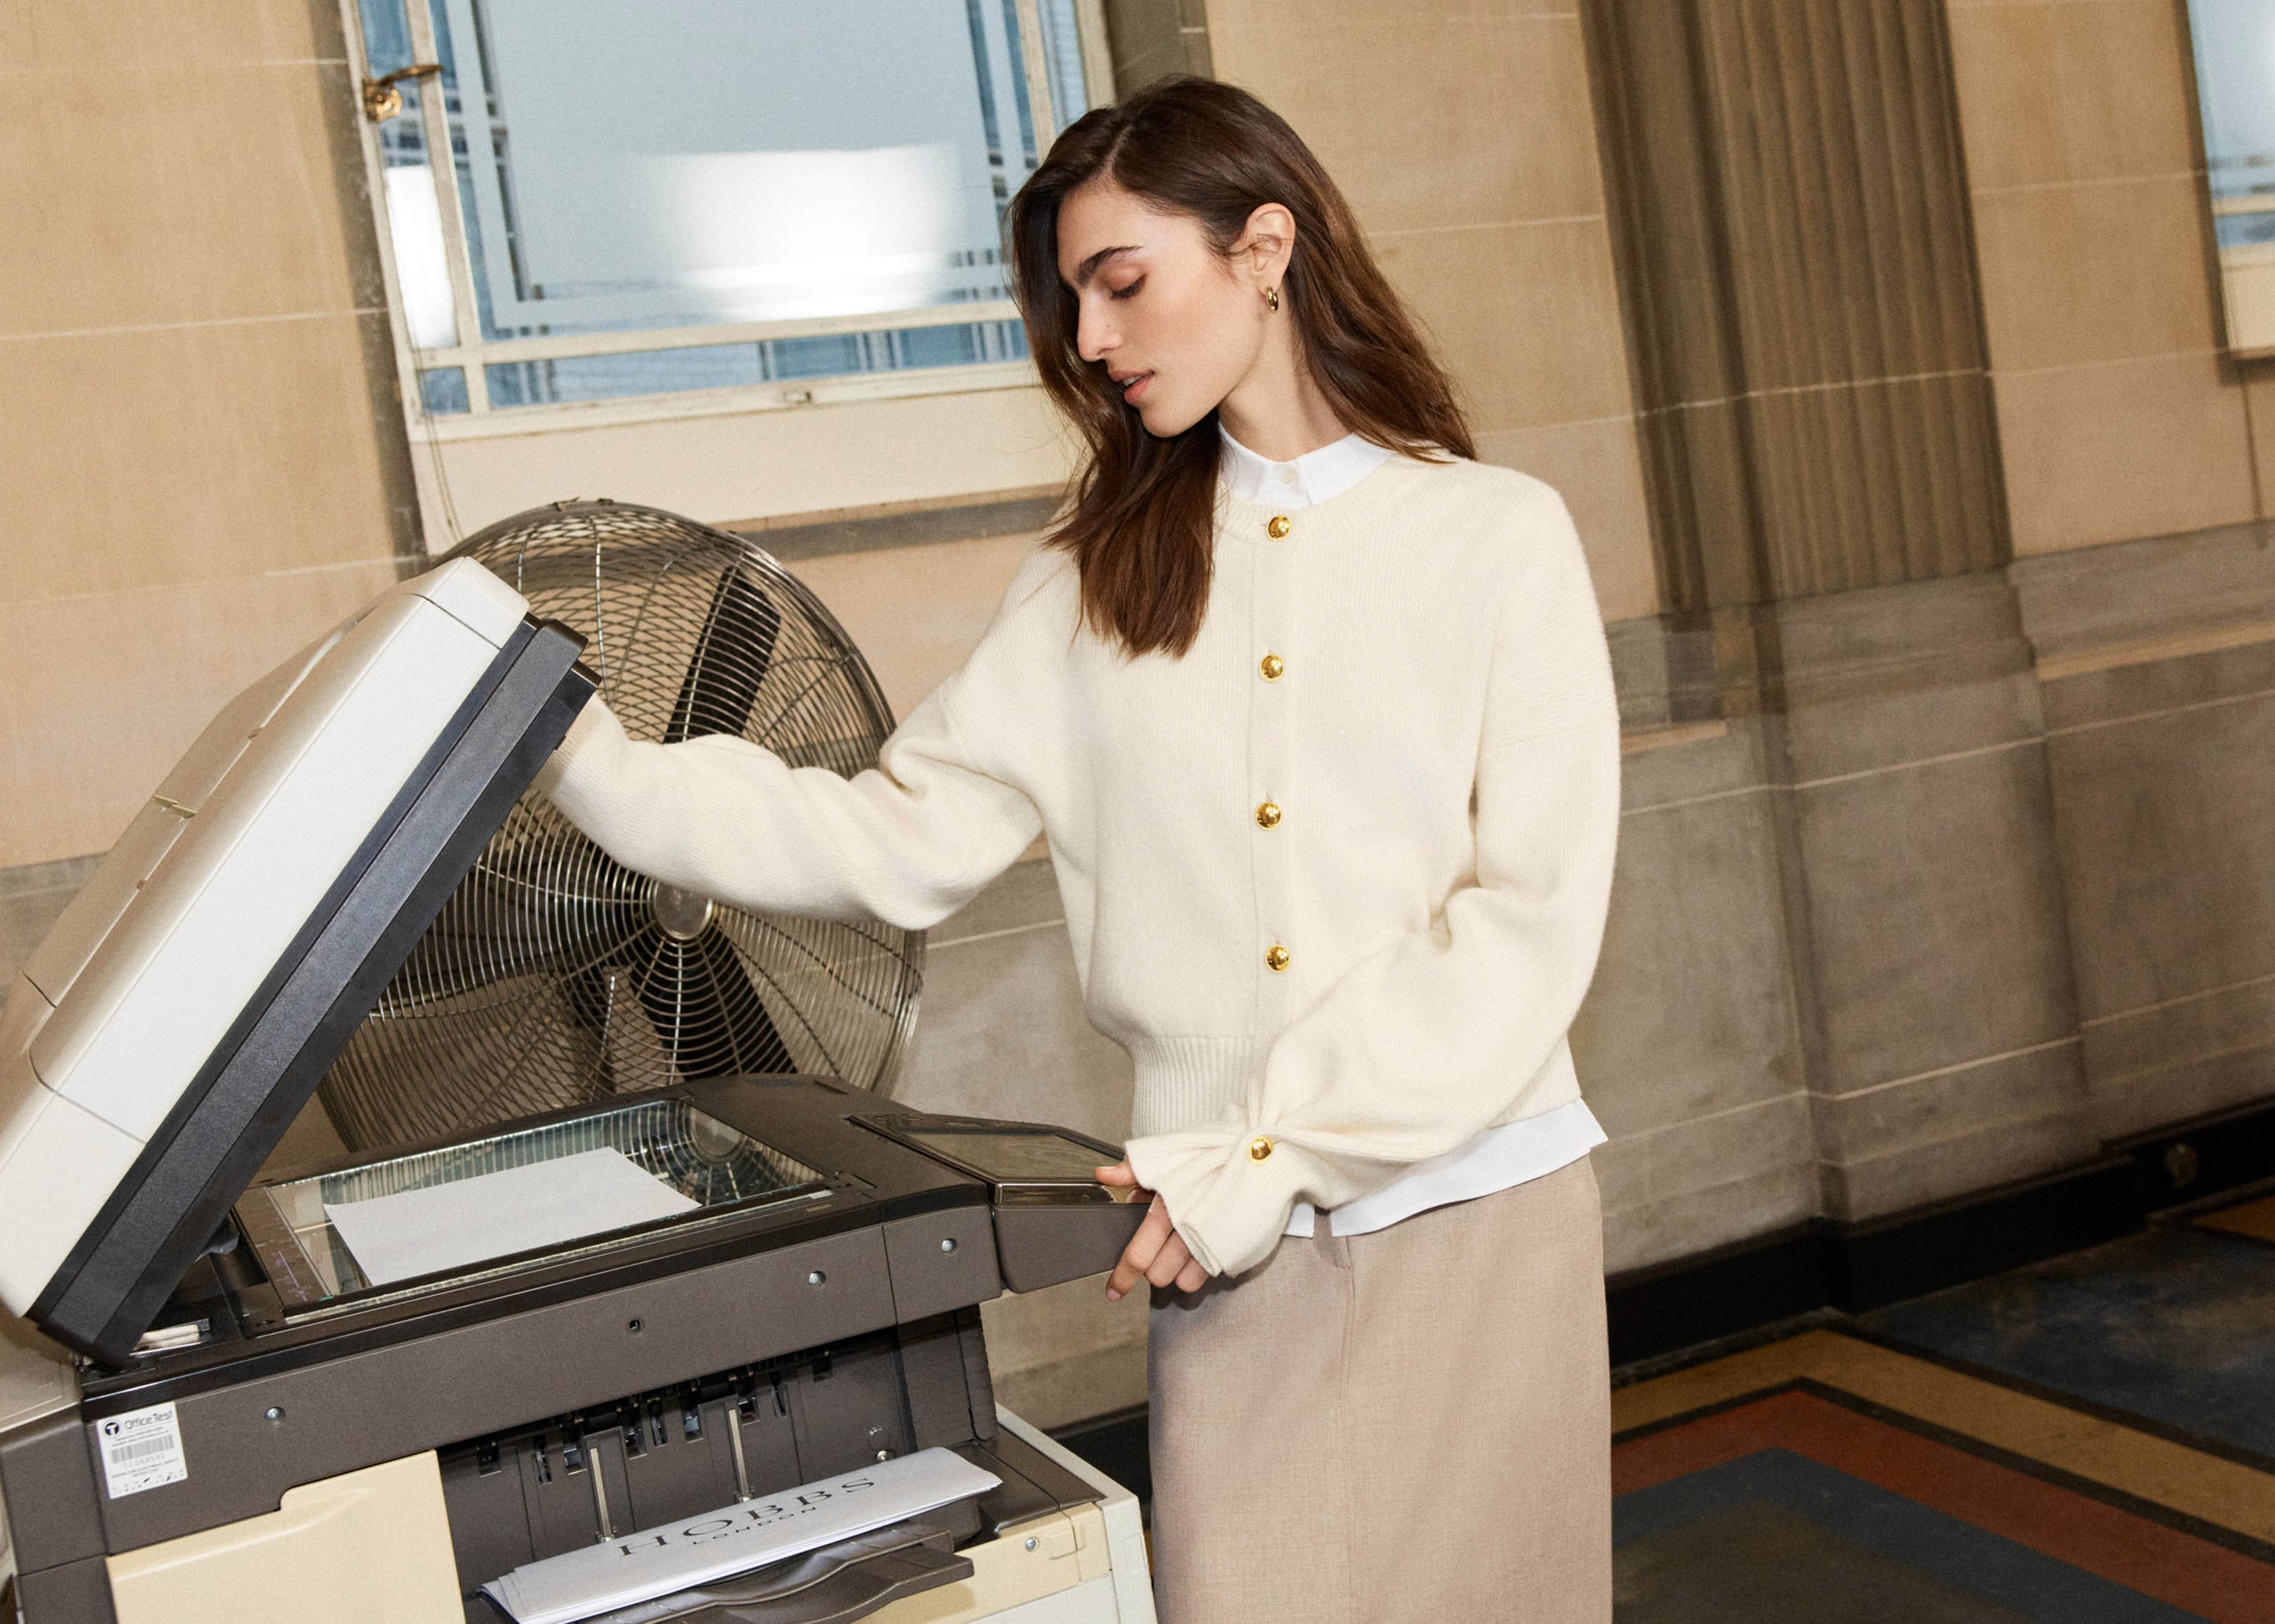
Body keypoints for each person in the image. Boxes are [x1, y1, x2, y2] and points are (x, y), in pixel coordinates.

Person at [534, 75, 1617, 1624]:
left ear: (1264, 249)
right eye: (1074, 304)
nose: (1097, 341)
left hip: (1473, 1217)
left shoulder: (1500, 537)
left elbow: (1525, 920)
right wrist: (589, 763)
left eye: (1125, 284)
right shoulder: (1095, 580)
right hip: (1216, 1246)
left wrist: (1276, 1155)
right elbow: (895, 836)